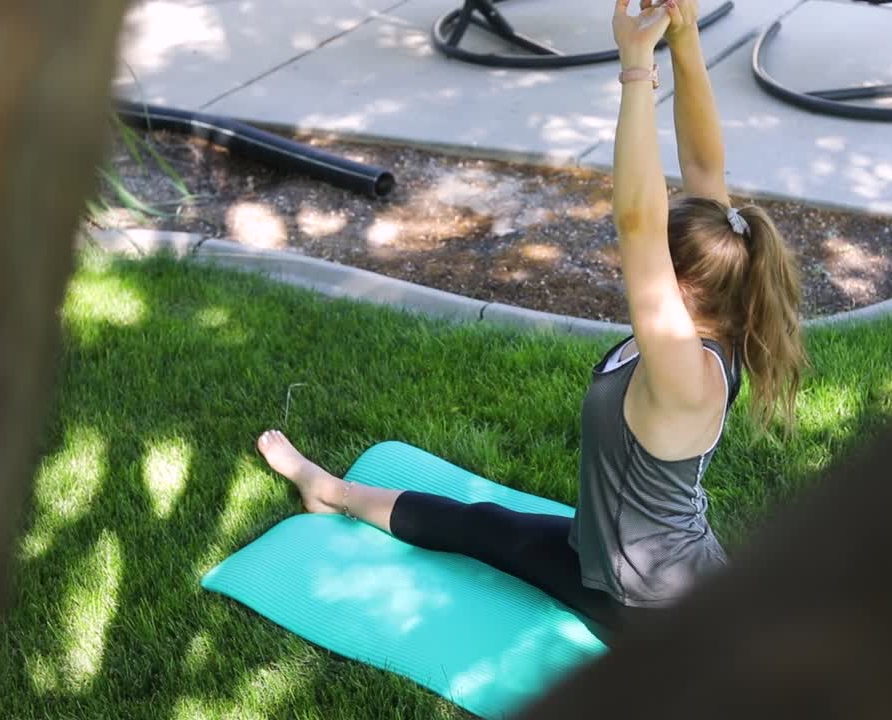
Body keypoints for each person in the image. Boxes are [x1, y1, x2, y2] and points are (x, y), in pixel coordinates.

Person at [254, 0, 806, 643]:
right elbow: (706, 170)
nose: (640, 257)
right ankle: (329, 491)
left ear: (679, 282)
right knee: (486, 526)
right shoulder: (722, 302)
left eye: (659, 254)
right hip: (628, 556)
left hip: (646, 605)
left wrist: (635, 69)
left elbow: (636, 222)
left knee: (490, 535)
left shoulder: (686, 374)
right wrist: (682, 39)